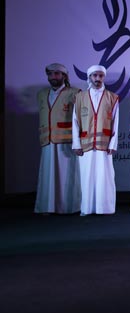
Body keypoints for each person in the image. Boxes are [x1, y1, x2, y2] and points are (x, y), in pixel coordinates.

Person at [72, 65, 119, 216]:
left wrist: (113, 143)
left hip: (104, 145)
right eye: (95, 76)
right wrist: (76, 144)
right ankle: (87, 208)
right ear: (90, 77)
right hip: (85, 144)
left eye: (100, 76)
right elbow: (75, 121)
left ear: (104, 77)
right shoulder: (80, 97)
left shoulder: (112, 97)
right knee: (86, 177)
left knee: (104, 177)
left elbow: (116, 122)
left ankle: (104, 208)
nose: (98, 79)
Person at [35, 63, 81, 214]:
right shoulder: (42, 94)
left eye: (56, 74)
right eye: (50, 74)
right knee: (48, 175)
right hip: (48, 141)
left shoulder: (75, 93)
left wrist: (78, 142)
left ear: (64, 76)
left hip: (67, 142)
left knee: (67, 176)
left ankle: (70, 207)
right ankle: (47, 207)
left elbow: (79, 119)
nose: (53, 77)